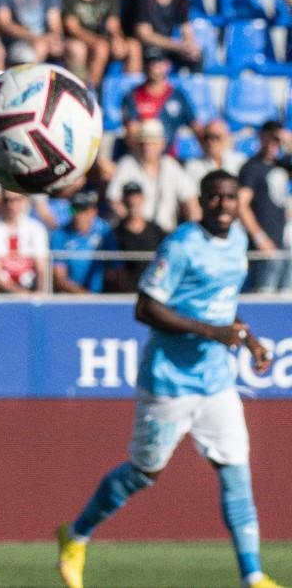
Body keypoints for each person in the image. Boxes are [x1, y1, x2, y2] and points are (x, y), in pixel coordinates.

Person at [57, 170, 283, 588]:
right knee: (144, 473)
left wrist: (248, 339)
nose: (223, 205)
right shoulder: (181, 245)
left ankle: (253, 575)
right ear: (201, 200)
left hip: (215, 382)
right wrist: (213, 334)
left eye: (230, 197)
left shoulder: (236, 242)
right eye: (214, 197)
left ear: (239, 202)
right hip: (169, 381)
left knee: (236, 471)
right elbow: (144, 309)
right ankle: (75, 536)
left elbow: (220, 305)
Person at [107, 119, 199, 231]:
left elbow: (191, 201)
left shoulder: (171, 166)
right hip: (135, 235)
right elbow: (113, 200)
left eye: (152, 142)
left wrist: (192, 231)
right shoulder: (127, 164)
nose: (147, 147)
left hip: (165, 232)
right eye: (143, 143)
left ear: (162, 144)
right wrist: (133, 223)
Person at [61, 0, 133, 87]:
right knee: (89, 48)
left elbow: (113, 24)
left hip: (102, 38)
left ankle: (128, 96)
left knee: (133, 47)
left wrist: (116, 38)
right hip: (77, 39)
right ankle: (89, 91)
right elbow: (72, 27)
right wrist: (97, 42)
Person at [237, 121, 292, 294]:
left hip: (285, 245)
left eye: (276, 139)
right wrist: (260, 237)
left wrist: (289, 144)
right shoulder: (252, 167)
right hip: (265, 246)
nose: (273, 143)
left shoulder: (282, 165)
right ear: (261, 137)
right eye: (269, 137)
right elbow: (241, 204)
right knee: (263, 296)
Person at [50, 190, 121, 294]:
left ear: (94, 212)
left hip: (101, 297)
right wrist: (86, 297)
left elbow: (116, 269)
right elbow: (59, 277)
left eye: (84, 210)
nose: (79, 215)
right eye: (75, 210)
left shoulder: (104, 231)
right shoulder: (59, 234)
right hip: (69, 298)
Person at [0, 189, 50, 293]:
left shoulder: (36, 228)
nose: (11, 205)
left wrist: (39, 293)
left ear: (25, 201)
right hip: (2, 289)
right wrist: (23, 295)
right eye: (6, 200)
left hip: (29, 286)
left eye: (17, 200)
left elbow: (41, 268)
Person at [113, 181, 166, 290]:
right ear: (123, 201)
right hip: (125, 295)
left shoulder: (157, 231)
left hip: (152, 291)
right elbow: (113, 270)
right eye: (129, 197)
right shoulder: (115, 234)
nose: (132, 201)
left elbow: (165, 261)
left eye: (136, 197)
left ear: (143, 199)